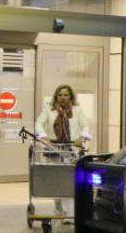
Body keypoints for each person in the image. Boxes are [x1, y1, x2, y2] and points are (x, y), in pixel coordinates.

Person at [34, 84, 92, 219]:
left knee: (69, 180)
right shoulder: (49, 109)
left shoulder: (77, 110)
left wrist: (81, 137)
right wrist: (43, 135)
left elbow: (86, 125)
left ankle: (68, 213)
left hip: (71, 150)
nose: (63, 97)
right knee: (56, 180)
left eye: (66, 95)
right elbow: (38, 123)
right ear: (56, 96)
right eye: (60, 95)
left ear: (70, 96)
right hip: (53, 149)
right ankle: (59, 208)